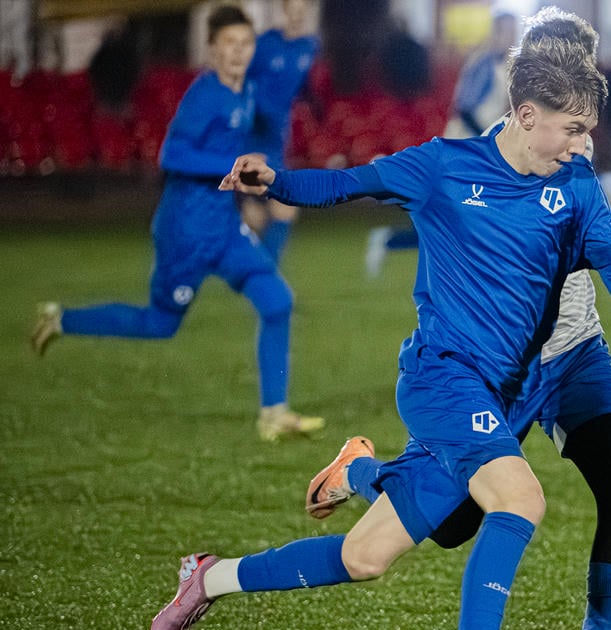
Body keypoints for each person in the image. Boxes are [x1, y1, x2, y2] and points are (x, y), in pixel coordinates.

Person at [149, 27, 611, 630]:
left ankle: (211, 576)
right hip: (446, 379)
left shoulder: (577, 185)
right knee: (517, 498)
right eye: (574, 128)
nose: (585, 144)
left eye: (589, 129)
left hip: (530, 377)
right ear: (527, 113)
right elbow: (350, 182)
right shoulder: (444, 166)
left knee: (367, 557)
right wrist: (274, 181)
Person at [313, 6, 611, 630]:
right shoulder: (487, 151)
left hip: (575, 354)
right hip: (499, 368)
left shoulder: (574, 147)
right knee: (453, 525)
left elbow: (607, 261)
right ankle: (362, 472)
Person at [29, 5, 323, 442]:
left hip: (224, 230)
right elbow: (172, 154)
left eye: (245, 43)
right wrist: (231, 164)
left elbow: (271, 114)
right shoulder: (204, 96)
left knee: (277, 302)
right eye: (229, 44)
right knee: (160, 324)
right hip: (185, 234)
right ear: (212, 50)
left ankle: (273, 415)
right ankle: (61, 320)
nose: (238, 52)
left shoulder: (246, 90)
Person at [365, 10, 518, 276]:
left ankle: (392, 240)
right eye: (508, 31)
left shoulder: (505, 65)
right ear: (496, 33)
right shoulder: (483, 63)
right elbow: (465, 107)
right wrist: (487, 140)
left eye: (514, 31)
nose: (513, 36)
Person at [240, 0, 319, 265]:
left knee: (274, 211)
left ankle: (260, 272)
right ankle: (261, 272)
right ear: (283, 11)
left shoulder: (309, 47)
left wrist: (314, 106)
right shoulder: (264, 44)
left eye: (301, 12)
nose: (297, 17)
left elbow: (303, 85)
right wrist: (254, 112)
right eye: (292, 11)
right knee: (262, 213)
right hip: (253, 135)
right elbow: (240, 82)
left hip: (277, 137)